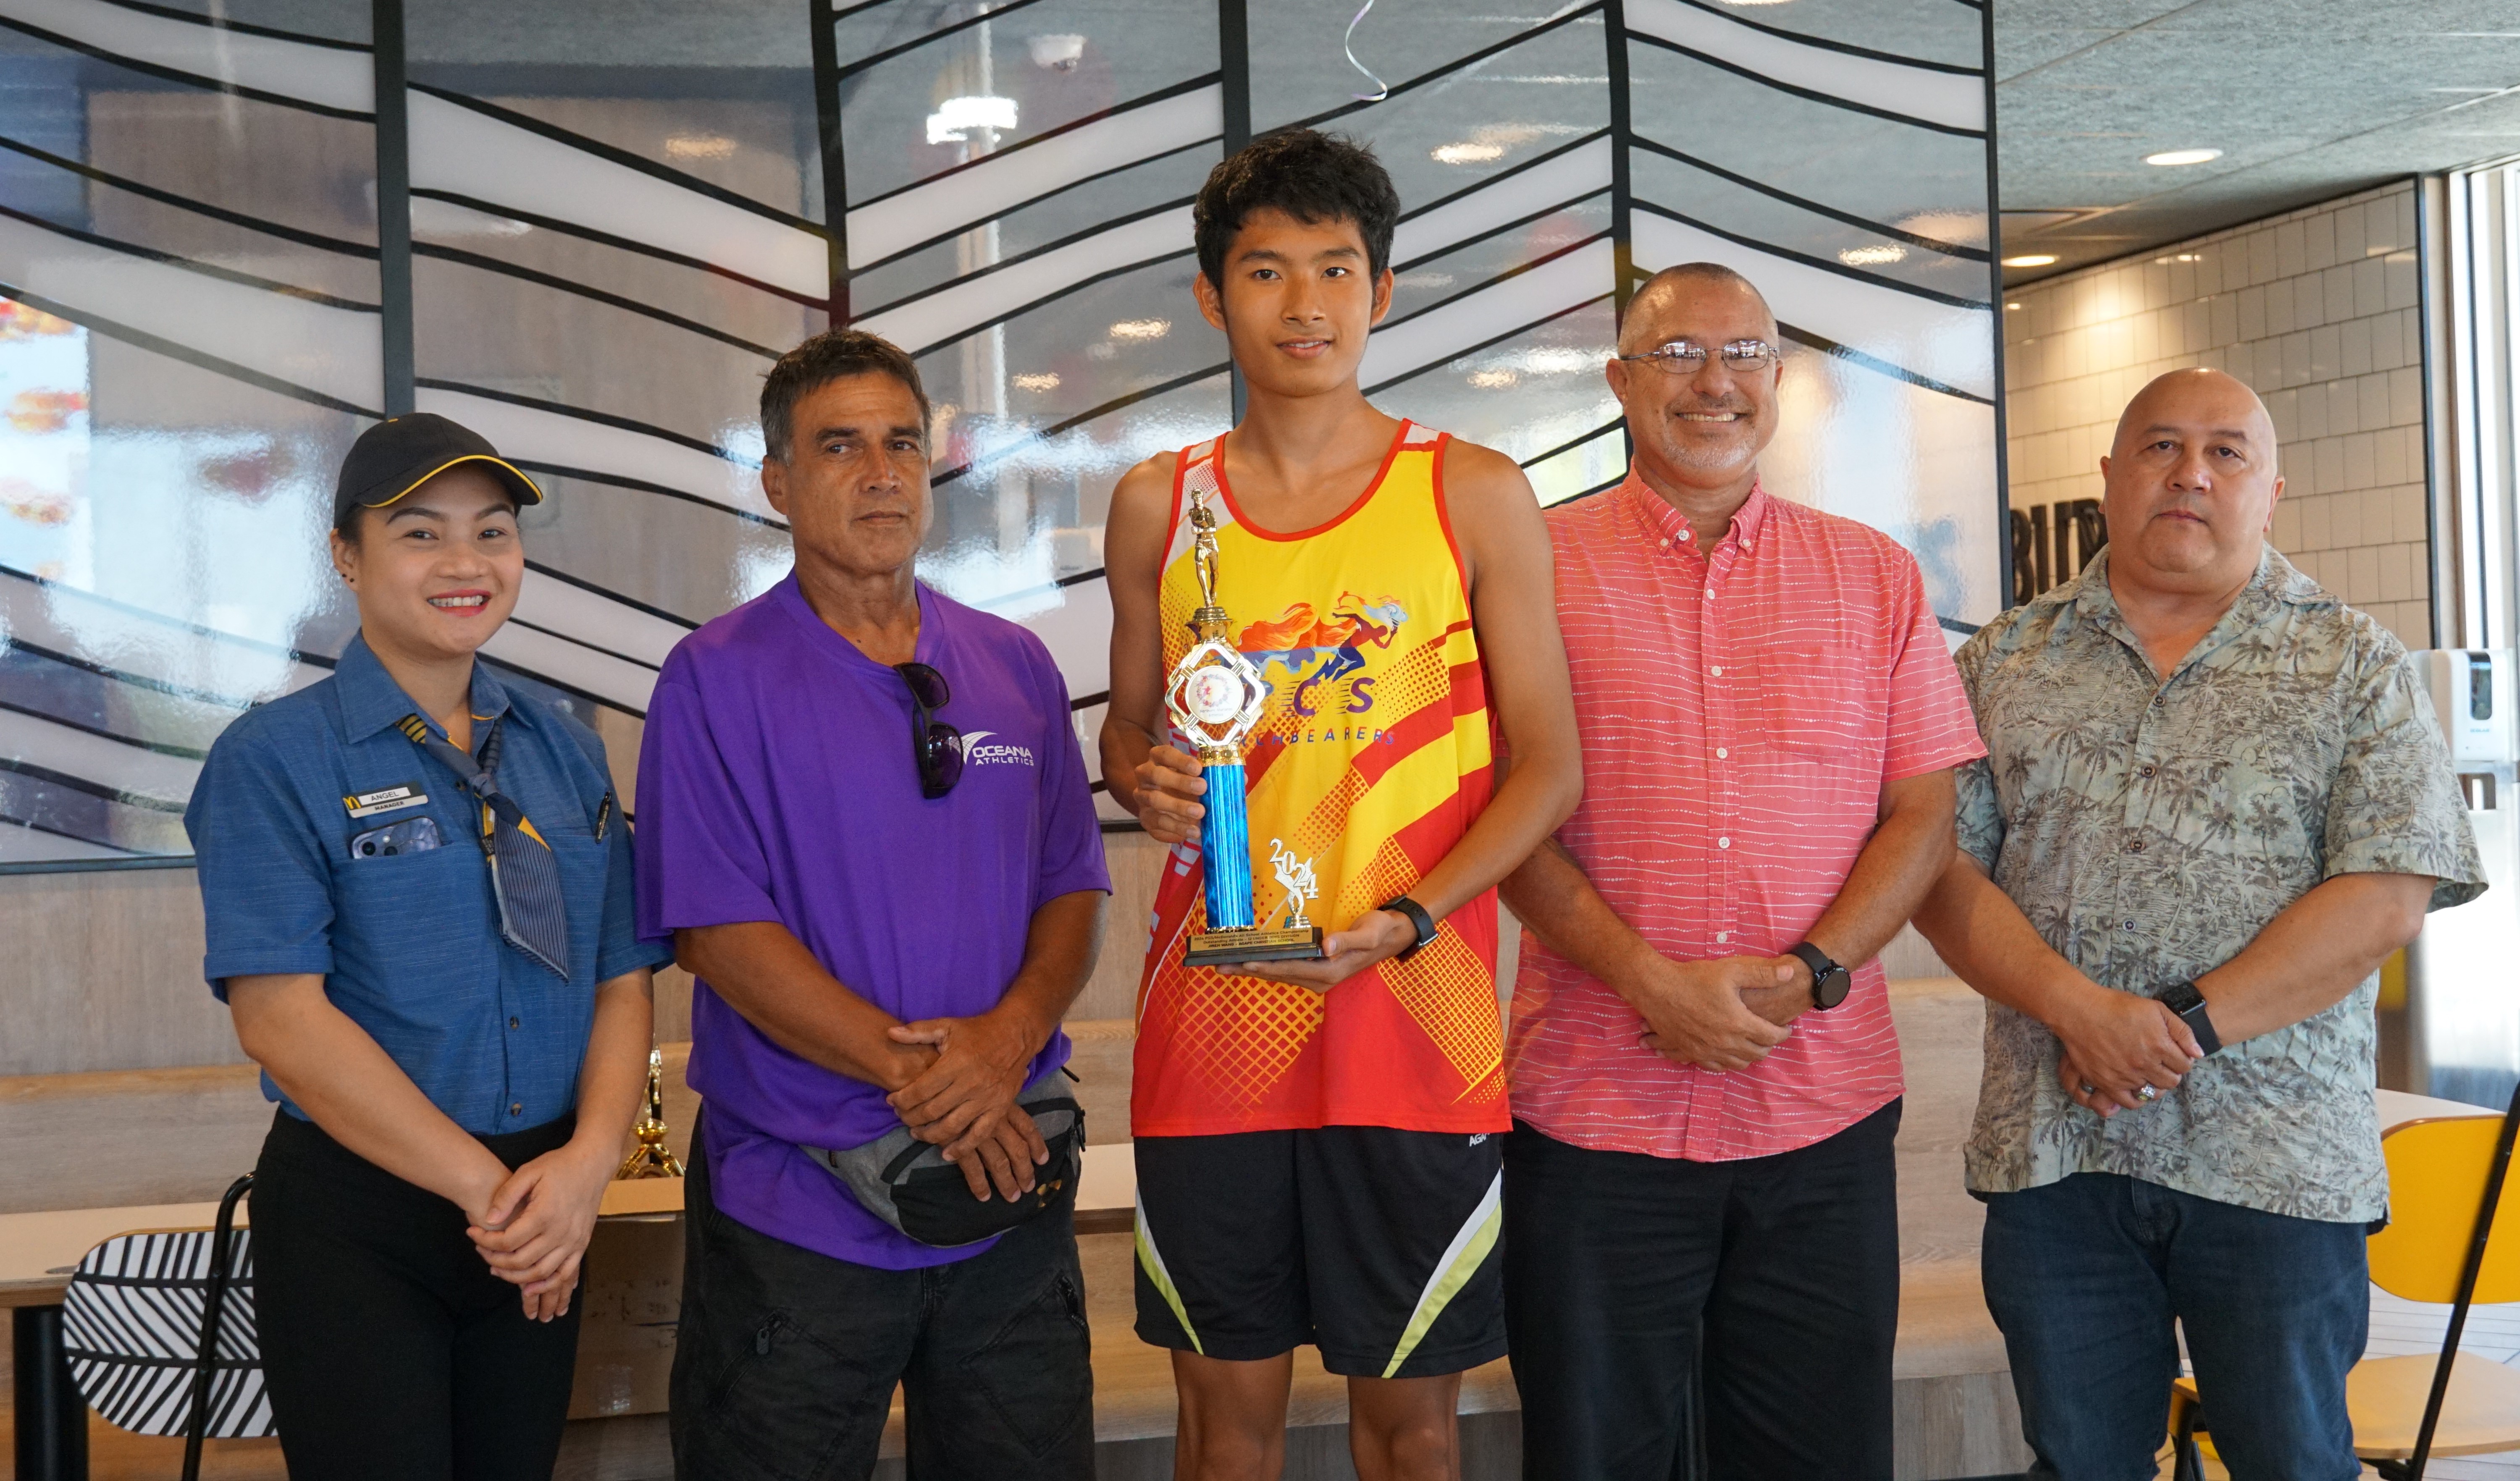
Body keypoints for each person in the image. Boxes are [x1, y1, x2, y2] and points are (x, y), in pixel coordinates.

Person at [1102, 128, 1583, 1481]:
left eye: (1334, 269)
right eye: (1265, 271)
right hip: (1211, 1017)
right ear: (1212, 296)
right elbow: (1134, 729)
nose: (1304, 304)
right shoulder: (1159, 505)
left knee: (1413, 1432)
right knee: (1224, 1429)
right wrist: (1138, 771)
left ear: (1384, 290)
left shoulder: (1472, 491)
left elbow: (1550, 766)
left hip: (1415, 1029)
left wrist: (1416, 917)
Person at [1912, 367, 2484, 1480]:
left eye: (2228, 452)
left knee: (2292, 1464)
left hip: (2276, 1166)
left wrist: (2174, 1029)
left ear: (2272, 491)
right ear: (2111, 479)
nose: (2191, 472)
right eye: (2161, 446)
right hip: (2056, 1157)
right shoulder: (2002, 663)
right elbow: (1937, 876)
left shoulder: (2355, 664)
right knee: (2082, 1463)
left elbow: (2387, 894)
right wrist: (2080, 1012)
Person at [1495, 264, 1986, 1480]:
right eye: (1675, 356)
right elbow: (1511, 823)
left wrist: (1817, 969)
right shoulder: (1530, 570)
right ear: (1620, 382)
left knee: (1819, 1457)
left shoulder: (1873, 574)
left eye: (1745, 354)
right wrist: (1652, 984)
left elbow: (1926, 807)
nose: (1713, 383)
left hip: (1820, 1115)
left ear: (1776, 379)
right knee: (1599, 1456)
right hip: (1598, 1117)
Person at [636, 329, 1110, 1479]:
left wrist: (1001, 1051)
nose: (882, 471)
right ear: (779, 484)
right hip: (799, 1211)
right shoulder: (715, 677)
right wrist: (933, 1079)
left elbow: (1070, 886)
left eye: (902, 443)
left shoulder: (1013, 666)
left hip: (1004, 1188)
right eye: (840, 447)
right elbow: (714, 929)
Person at [184, 414, 667, 1479]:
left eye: (493, 533)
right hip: (366, 1218)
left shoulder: (566, 750)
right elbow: (281, 1018)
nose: (466, 563)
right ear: (346, 557)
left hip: (542, 1203)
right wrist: (492, 1198)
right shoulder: (273, 760)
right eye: (420, 534)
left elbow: (619, 977)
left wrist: (585, 1169)